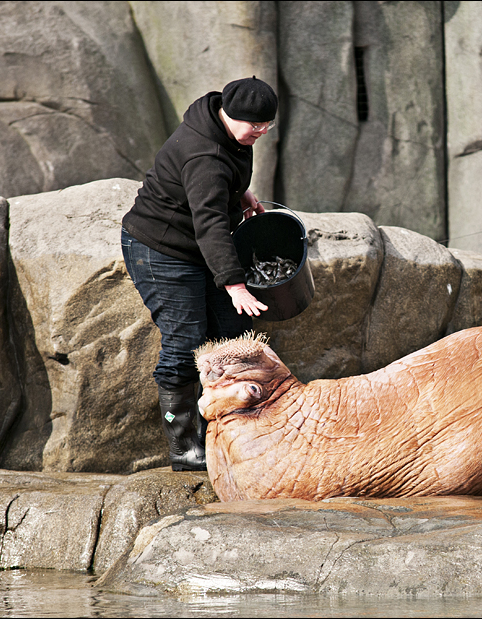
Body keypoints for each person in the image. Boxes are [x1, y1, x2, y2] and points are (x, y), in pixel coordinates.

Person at [120, 76, 278, 471]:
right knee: (186, 342)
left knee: (229, 335)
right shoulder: (203, 156)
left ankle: (225, 435)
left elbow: (221, 176)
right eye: (254, 126)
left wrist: (239, 191)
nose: (259, 133)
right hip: (161, 250)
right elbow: (209, 224)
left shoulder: (229, 133)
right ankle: (184, 447)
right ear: (230, 115)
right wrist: (235, 284)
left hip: (197, 247)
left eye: (267, 127)